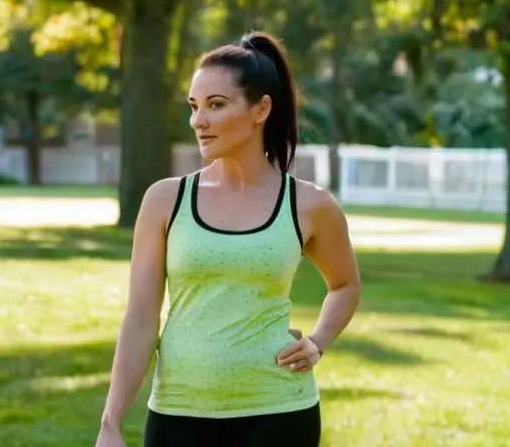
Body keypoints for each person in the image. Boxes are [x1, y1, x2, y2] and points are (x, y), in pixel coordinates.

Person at [94, 30, 361, 447]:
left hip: (280, 413)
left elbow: (345, 285)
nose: (198, 120)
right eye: (194, 106)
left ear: (261, 110)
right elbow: (142, 317)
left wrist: (319, 340)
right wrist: (110, 423)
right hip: (179, 414)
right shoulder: (166, 200)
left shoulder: (310, 205)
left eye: (216, 105)